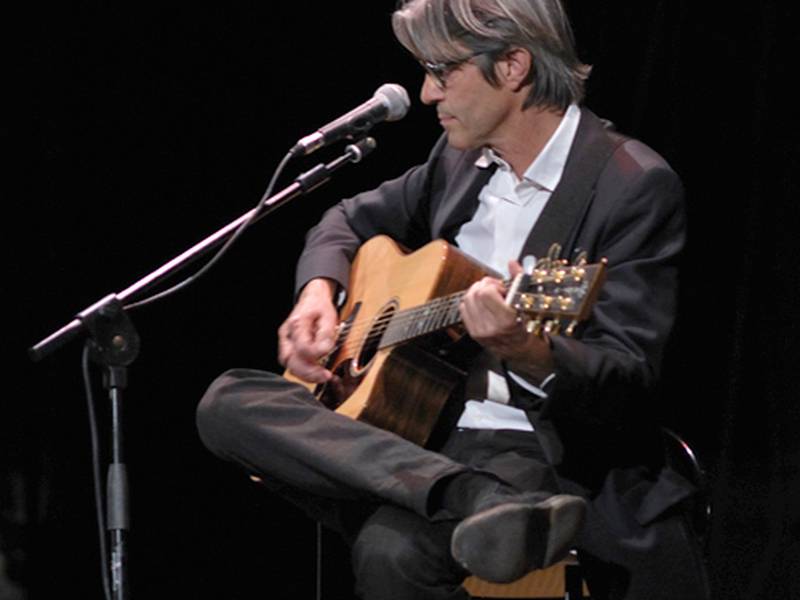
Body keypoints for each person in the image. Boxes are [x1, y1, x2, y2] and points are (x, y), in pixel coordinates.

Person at [196, 1, 710, 598]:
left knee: (389, 552)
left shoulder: (630, 183)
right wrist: (318, 291)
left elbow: (628, 376)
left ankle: (484, 504)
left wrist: (526, 349)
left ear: (513, 66)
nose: (425, 93)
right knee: (226, 401)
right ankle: (472, 498)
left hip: (539, 447)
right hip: (431, 443)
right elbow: (344, 220)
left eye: (441, 70)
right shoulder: (459, 159)